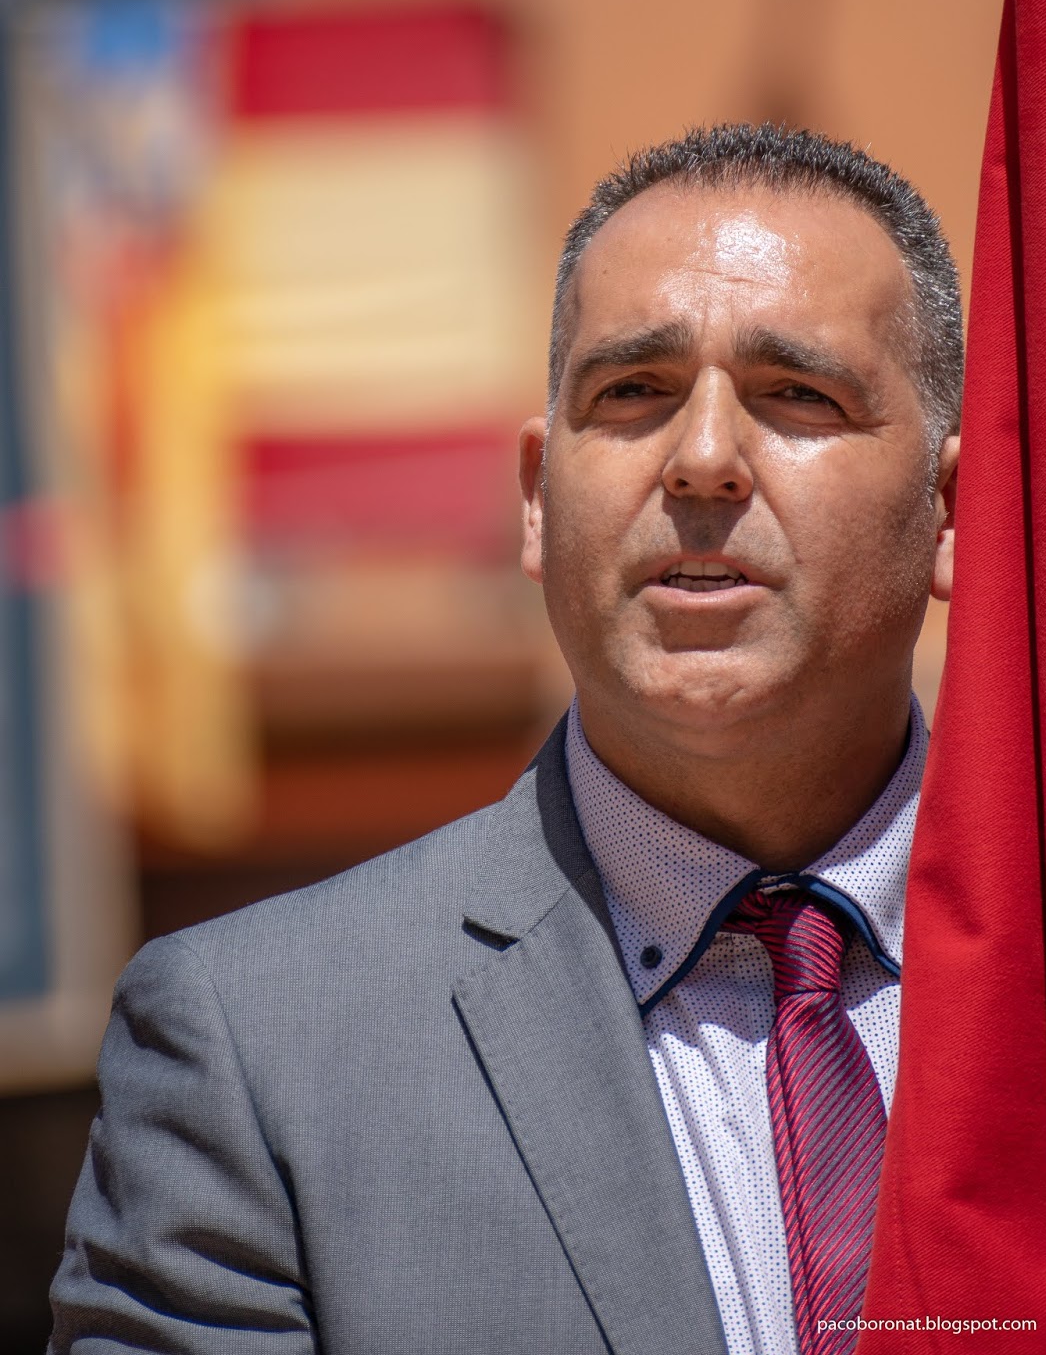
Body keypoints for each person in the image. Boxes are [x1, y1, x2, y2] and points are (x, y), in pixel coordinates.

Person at [49, 123, 961, 1355]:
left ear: (950, 509)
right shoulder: (258, 1052)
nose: (700, 460)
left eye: (795, 393)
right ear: (537, 499)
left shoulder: (1036, 958)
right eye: (630, 393)